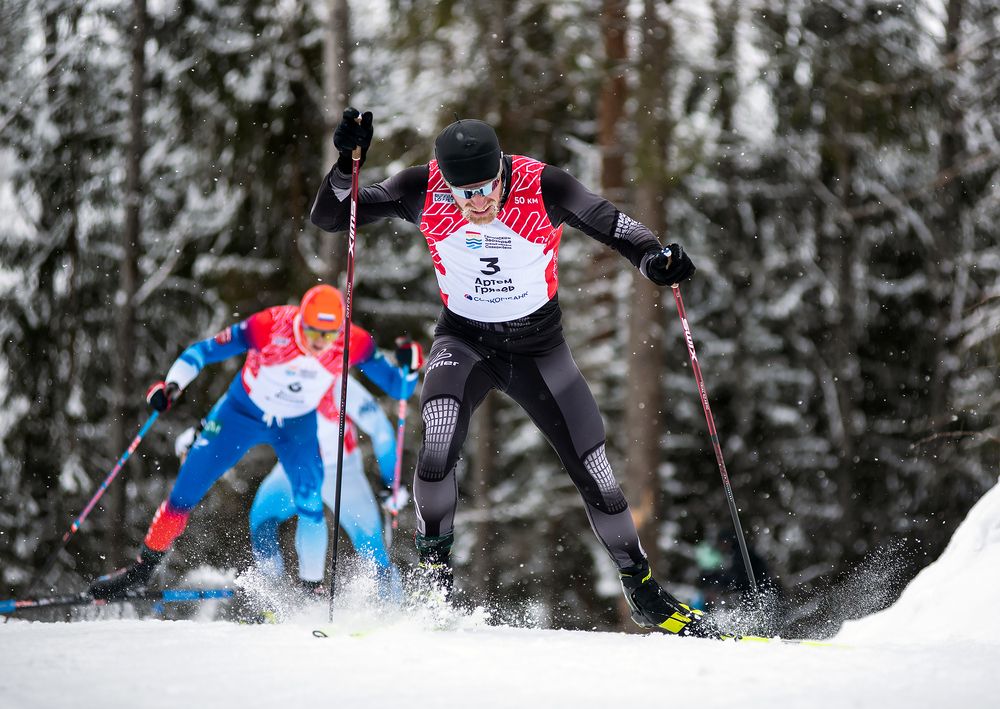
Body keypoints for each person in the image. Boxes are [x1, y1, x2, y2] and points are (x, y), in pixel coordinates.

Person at [309, 109, 706, 635]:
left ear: (502, 170)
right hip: (464, 341)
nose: (478, 202)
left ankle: (643, 590)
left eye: (487, 187)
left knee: (595, 468)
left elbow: (613, 224)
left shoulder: (542, 185)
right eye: (464, 193)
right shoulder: (421, 188)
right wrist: (345, 164)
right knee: (439, 434)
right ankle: (434, 581)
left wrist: (655, 258)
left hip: (539, 349)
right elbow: (333, 217)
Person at [89, 285, 418, 599]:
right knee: (185, 493)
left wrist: (411, 365)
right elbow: (204, 351)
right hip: (242, 413)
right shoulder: (270, 325)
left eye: (328, 335)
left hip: (296, 425)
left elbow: (398, 388)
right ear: (301, 321)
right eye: (313, 332)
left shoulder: (352, 342)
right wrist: (173, 385)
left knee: (310, 502)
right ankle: (141, 571)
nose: (320, 343)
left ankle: (311, 592)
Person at [247, 368, 421, 599]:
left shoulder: (338, 384)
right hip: (295, 468)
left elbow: (379, 427)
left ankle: (390, 604)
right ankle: (271, 598)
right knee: (262, 522)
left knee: (371, 545)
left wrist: (390, 482)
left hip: (341, 471)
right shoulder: (281, 374)